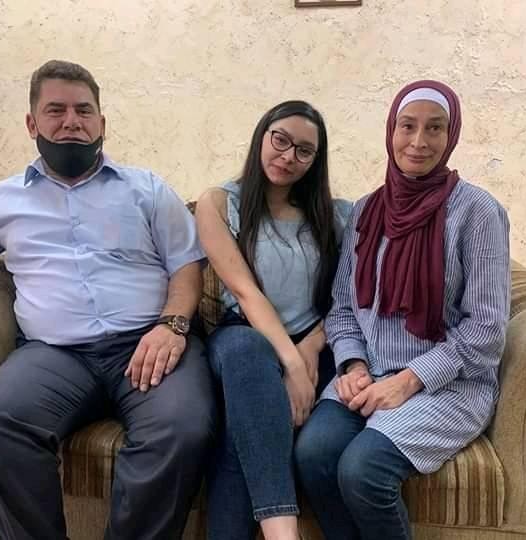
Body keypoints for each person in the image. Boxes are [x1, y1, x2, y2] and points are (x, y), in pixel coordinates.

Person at [0, 60, 216, 540]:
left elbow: (186, 266)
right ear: (32, 123)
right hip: (54, 356)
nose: (71, 121)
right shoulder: (1, 200)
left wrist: (172, 325)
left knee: (182, 429)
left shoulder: (148, 190)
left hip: (146, 342)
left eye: (83, 110)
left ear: (101, 122)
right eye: (55, 110)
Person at [294, 80, 511, 540]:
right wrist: (352, 364)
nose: (419, 141)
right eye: (407, 126)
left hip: (446, 384)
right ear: (391, 130)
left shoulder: (477, 212)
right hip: (369, 375)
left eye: (435, 128)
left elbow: (487, 328)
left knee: (363, 470)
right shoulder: (367, 211)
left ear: (451, 135)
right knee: (313, 455)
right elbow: (344, 307)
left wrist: (409, 380)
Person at [194, 100, 351, 540]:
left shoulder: (337, 216)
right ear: (262, 135)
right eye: (280, 140)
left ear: (316, 160)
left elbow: (350, 299)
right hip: (242, 338)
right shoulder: (219, 203)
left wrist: (311, 349)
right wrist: (292, 364)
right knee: (248, 353)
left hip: (314, 344)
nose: (288, 156)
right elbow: (246, 292)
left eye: (304, 150)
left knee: (240, 435)